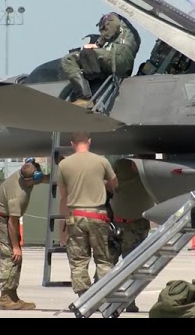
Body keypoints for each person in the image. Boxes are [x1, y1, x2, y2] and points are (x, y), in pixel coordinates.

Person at [57, 131, 118, 297]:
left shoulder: (64, 165)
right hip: (98, 215)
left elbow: (64, 196)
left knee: (78, 261)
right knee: (104, 259)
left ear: (72, 144)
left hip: (75, 215)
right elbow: (114, 184)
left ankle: (83, 298)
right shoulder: (101, 161)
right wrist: (101, 183)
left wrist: (61, 229)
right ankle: (104, 295)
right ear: (89, 141)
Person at [0, 158, 51, 310]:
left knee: (17, 258)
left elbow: (45, 178)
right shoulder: (17, 195)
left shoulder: (25, 175)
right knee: (10, 255)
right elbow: (12, 222)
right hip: (1, 218)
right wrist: (16, 246)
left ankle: (13, 296)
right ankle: (5, 299)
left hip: (7, 217)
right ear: (32, 179)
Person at [60, 12, 141, 107]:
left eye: (102, 29)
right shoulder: (127, 31)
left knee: (70, 59)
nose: (102, 32)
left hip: (117, 56)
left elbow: (111, 28)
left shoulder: (111, 17)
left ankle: (84, 98)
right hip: (124, 64)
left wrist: (97, 44)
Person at [108, 158, 155, 312]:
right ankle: (128, 301)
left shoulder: (114, 183)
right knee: (131, 266)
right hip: (135, 226)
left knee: (107, 264)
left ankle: (102, 299)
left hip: (116, 224)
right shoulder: (146, 181)